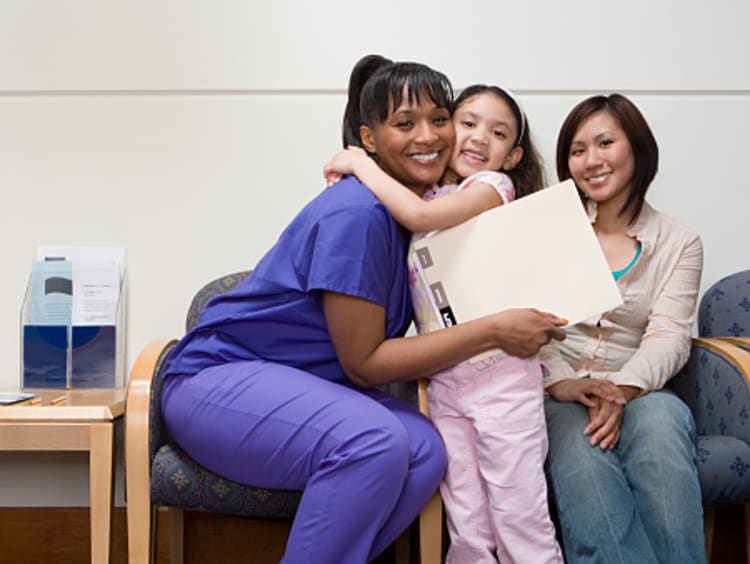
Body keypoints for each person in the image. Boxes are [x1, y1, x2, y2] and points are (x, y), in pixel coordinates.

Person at [160, 54, 566, 564]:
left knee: (424, 450)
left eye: (439, 119)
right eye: (404, 124)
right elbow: (365, 364)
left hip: (299, 388)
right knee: (376, 442)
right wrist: (495, 331)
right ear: (368, 139)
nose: (429, 136)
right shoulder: (359, 214)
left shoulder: (419, 218)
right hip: (216, 382)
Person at [325, 84, 568, 563]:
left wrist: (359, 162)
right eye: (468, 122)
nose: (479, 137)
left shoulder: (493, 188)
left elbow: (420, 215)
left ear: (513, 154)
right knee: (468, 523)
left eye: (498, 132)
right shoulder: (433, 189)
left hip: (503, 380)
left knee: (519, 516)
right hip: (446, 384)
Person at [541, 93, 706, 563]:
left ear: (636, 147)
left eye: (604, 143)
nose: (591, 160)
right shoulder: (553, 231)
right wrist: (568, 384)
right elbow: (531, 326)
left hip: (639, 386)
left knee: (662, 424)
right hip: (561, 389)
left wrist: (619, 389)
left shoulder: (680, 241)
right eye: (577, 150)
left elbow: (670, 337)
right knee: (581, 446)